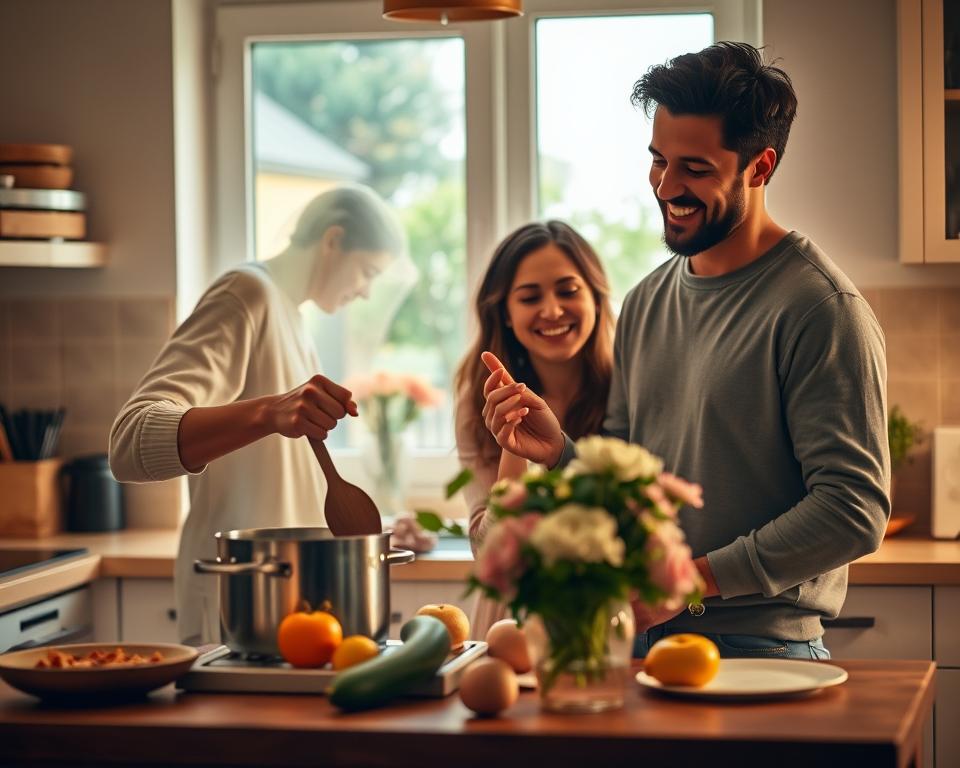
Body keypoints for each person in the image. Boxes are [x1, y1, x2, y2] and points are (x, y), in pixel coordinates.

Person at [480, 42, 889, 660]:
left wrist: (690, 582)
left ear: (760, 167)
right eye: (657, 160)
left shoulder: (819, 308)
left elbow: (853, 509)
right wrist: (561, 452)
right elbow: (634, 488)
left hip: (760, 652)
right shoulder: (647, 300)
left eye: (694, 169)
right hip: (643, 643)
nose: (666, 186)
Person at [109, 184, 408, 644]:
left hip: (281, 600)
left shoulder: (291, 317)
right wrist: (270, 412)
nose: (366, 292)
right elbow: (131, 441)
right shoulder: (245, 294)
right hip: (237, 601)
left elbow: (284, 471)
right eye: (367, 271)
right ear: (332, 241)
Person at [454, 220, 614, 638]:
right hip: (509, 623)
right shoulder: (477, 403)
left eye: (568, 291)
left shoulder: (629, 386)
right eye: (529, 297)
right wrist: (515, 447)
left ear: (596, 298)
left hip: (603, 620)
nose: (552, 310)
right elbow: (490, 552)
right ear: (504, 312)